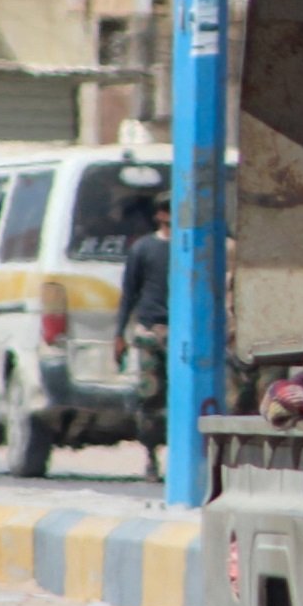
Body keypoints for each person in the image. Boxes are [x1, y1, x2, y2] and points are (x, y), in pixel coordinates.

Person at [114, 198, 171, 481]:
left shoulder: (193, 249)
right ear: (161, 215)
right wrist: (119, 335)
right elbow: (129, 294)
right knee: (150, 398)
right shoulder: (144, 249)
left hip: (183, 336)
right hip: (150, 331)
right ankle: (151, 458)